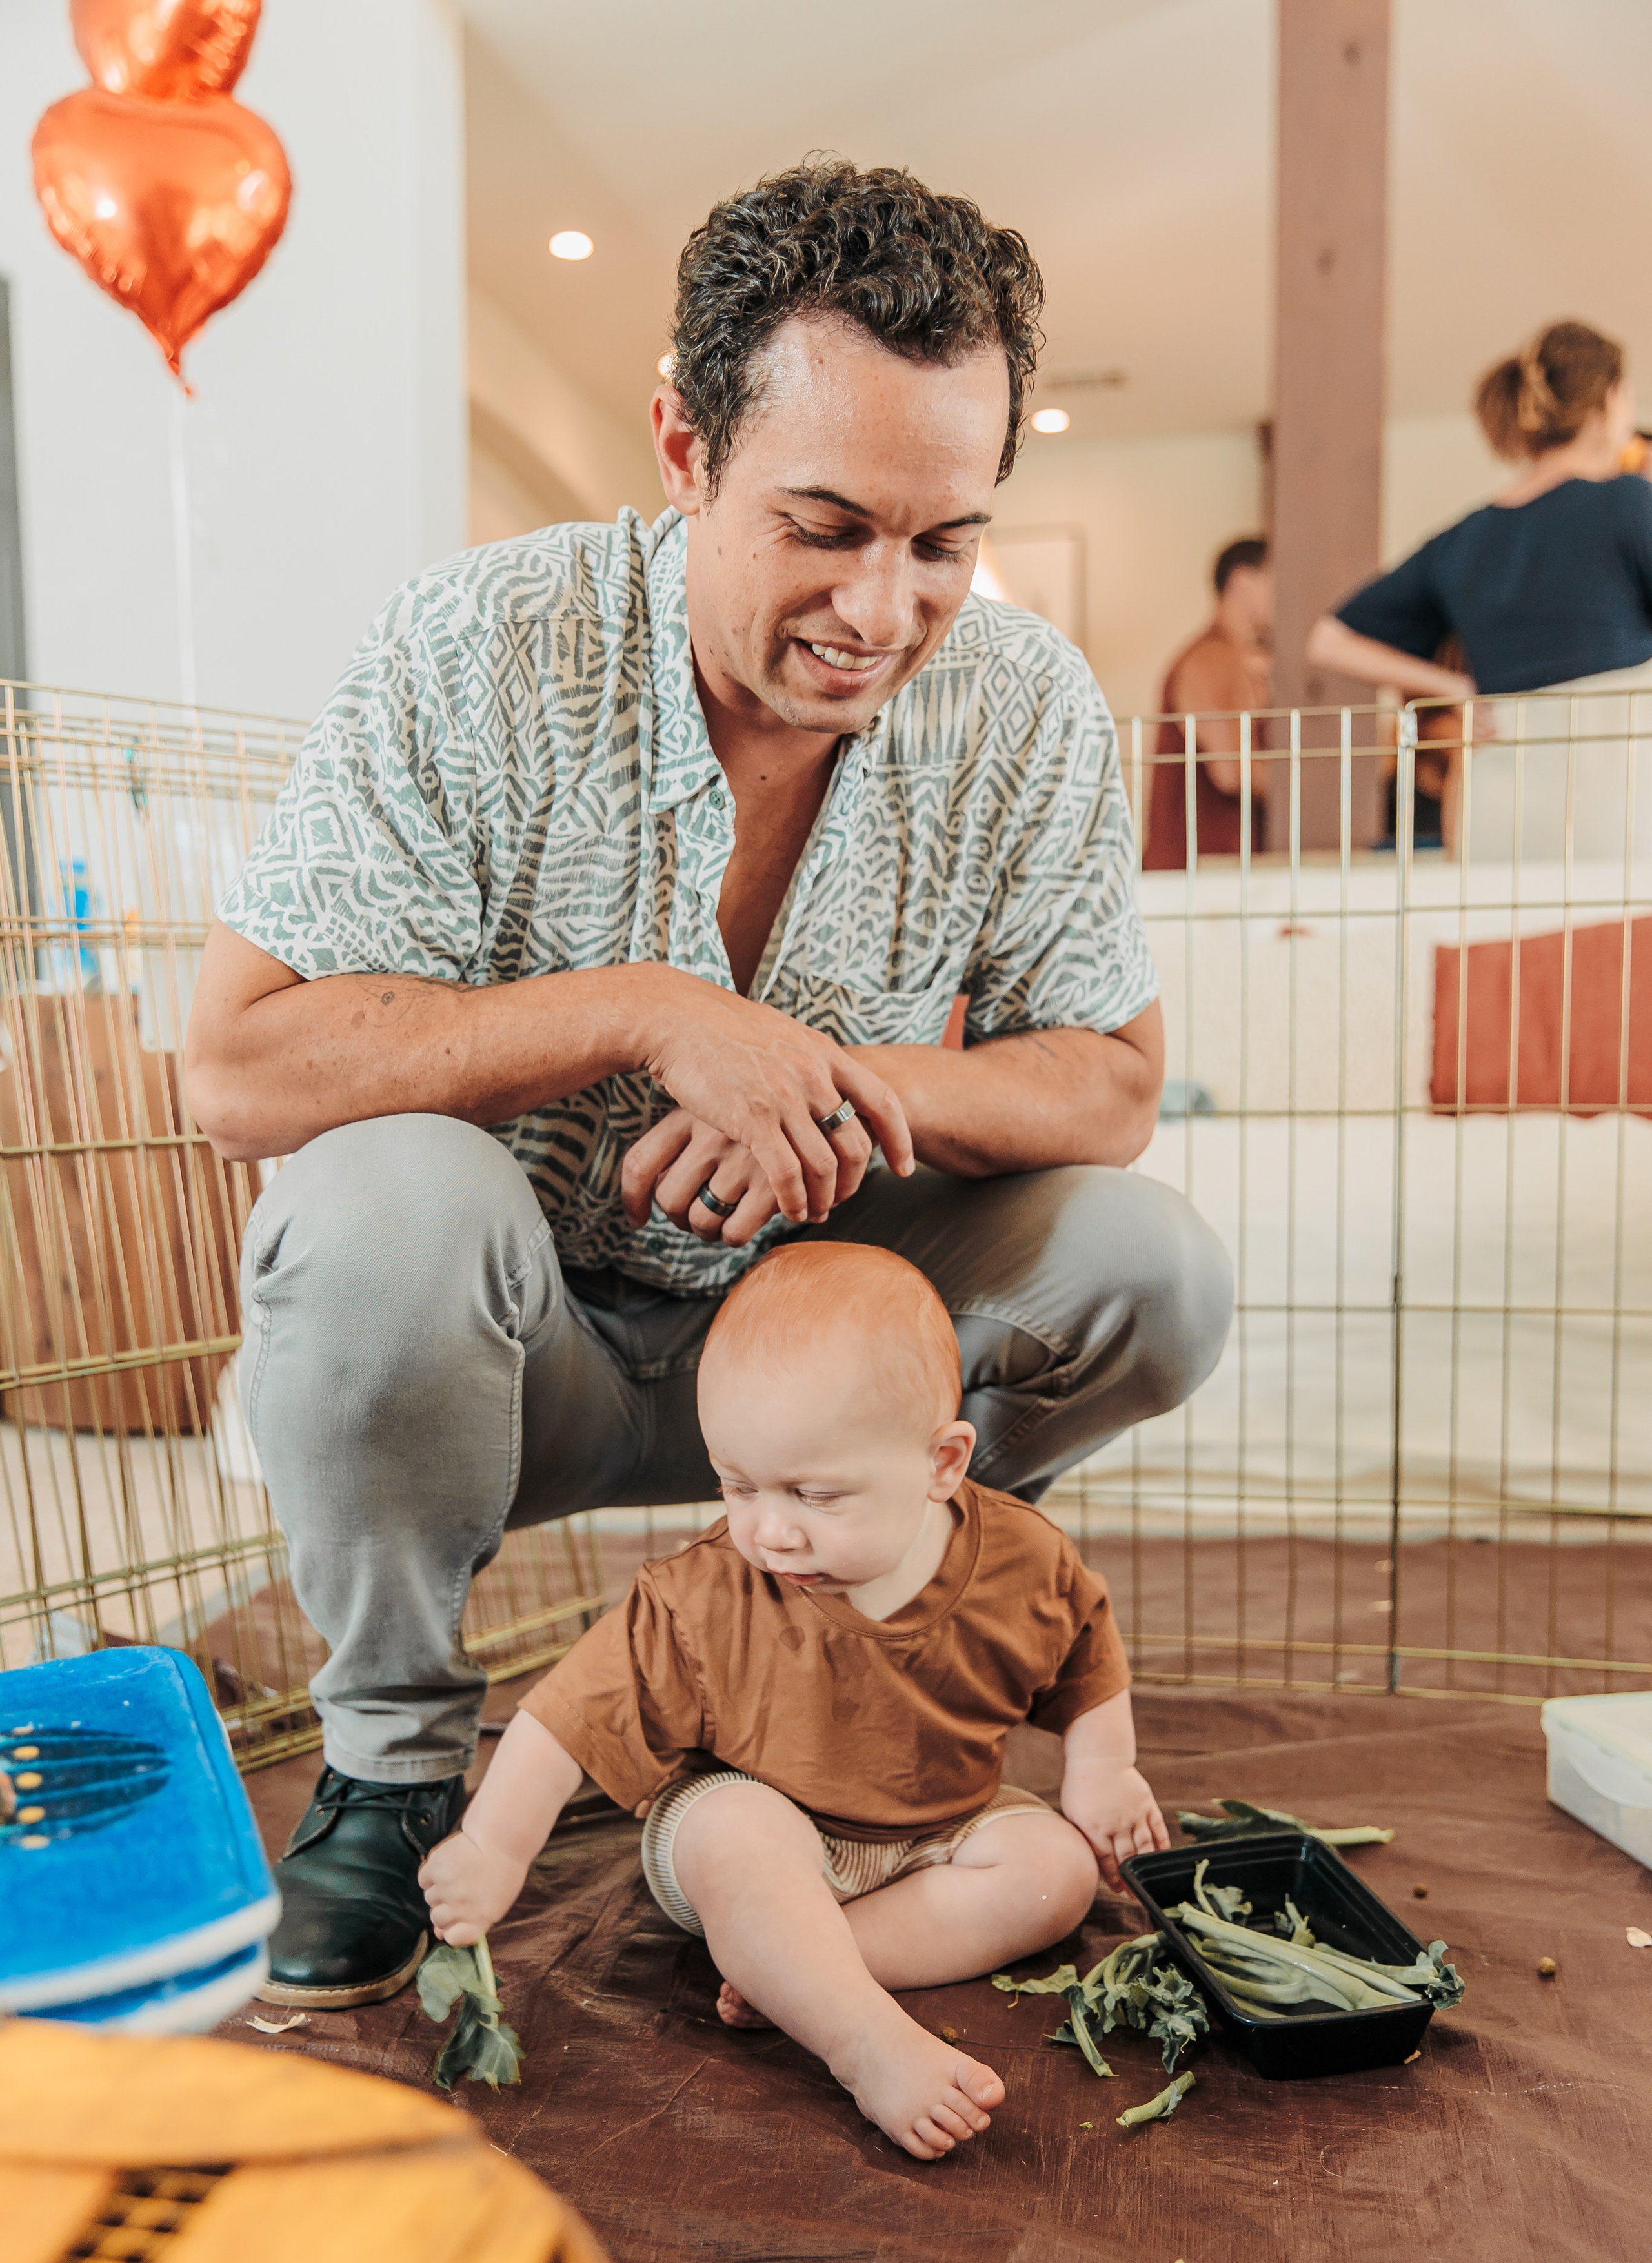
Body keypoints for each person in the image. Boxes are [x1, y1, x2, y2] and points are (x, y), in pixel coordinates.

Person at [184, 159, 1233, 2013]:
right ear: (682, 443)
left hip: (828, 1351)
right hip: (522, 1361)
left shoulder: (1028, 704)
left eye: (943, 542)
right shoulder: (472, 652)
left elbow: (1112, 1082)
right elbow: (242, 1064)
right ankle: (392, 1764)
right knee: (372, 1211)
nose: (883, 607)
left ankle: (916, 1611)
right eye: (823, 524)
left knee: (1156, 1262)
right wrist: (652, 1012)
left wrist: (822, 1082)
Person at [419, 1243, 1168, 2162]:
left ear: (943, 1463)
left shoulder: (1022, 1560)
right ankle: (861, 2038)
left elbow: (1086, 1649)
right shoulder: (706, 1596)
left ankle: (803, 1964)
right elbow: (565, 1718)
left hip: (934, 1832)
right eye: (738, 1486)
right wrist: (494, 1848)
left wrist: (1104, 1770)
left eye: (815, 1495)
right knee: (739, 1835)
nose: (770, 1529)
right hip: (761, 1823)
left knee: (1056, 1871)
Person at [1307, 321, 1652, 861]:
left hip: (1500, 797)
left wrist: (1455, 689)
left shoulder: (1466, 537)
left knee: (1509, 945)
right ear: (1610, 401)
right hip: (1618, 791)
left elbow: (1328, 640)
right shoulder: (1629, 504)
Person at [1144, 537, 1273, 869]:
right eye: (1277, 577)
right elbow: (1232, 771)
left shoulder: (1239, 659)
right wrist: (1318, 785)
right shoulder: (1212, 657)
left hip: (1215, 872)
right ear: (1243, 581)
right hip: (1195, 877)